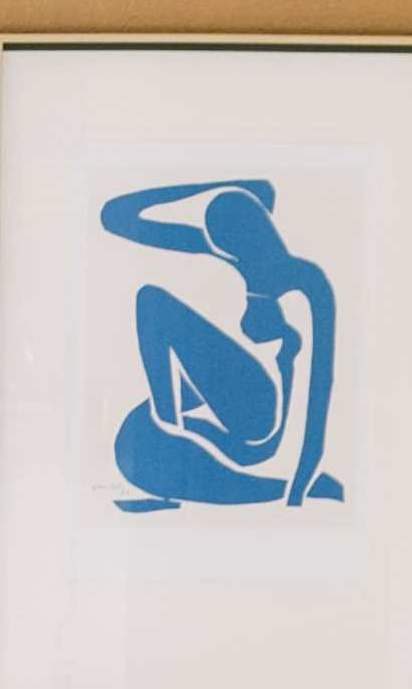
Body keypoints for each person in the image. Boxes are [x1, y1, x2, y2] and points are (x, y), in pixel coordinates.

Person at [100, 178, 340, 510]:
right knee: (135, 436)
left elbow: (319, 392)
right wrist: (232, 186)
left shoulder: (305, 282)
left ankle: (171, 428)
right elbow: (115, 216)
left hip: (261, 419)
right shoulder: (233, 255)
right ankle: (169, 440)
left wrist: (298, 490)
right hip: (236, 413)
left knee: (152, 301)